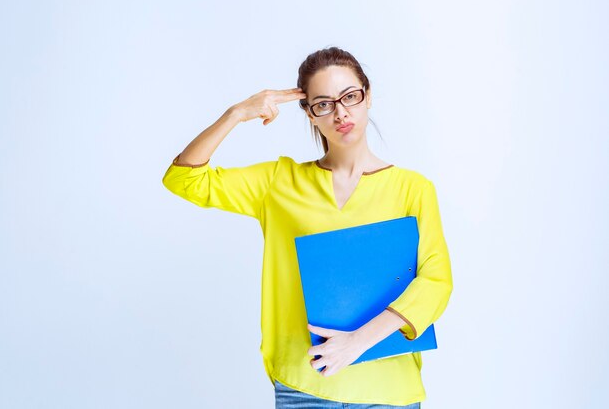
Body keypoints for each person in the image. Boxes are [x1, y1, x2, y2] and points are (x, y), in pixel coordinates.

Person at [162, 46, 453, 408]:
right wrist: (235, 114)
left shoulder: (412, 188)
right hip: (305, 385)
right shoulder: (279, 183)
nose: (340, 112)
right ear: (309, 113)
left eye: (350, 96)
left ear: (368, 96)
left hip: (388, 387)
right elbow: (183, 179)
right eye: (324, 104)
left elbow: (436, 281)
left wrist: (357, 341)